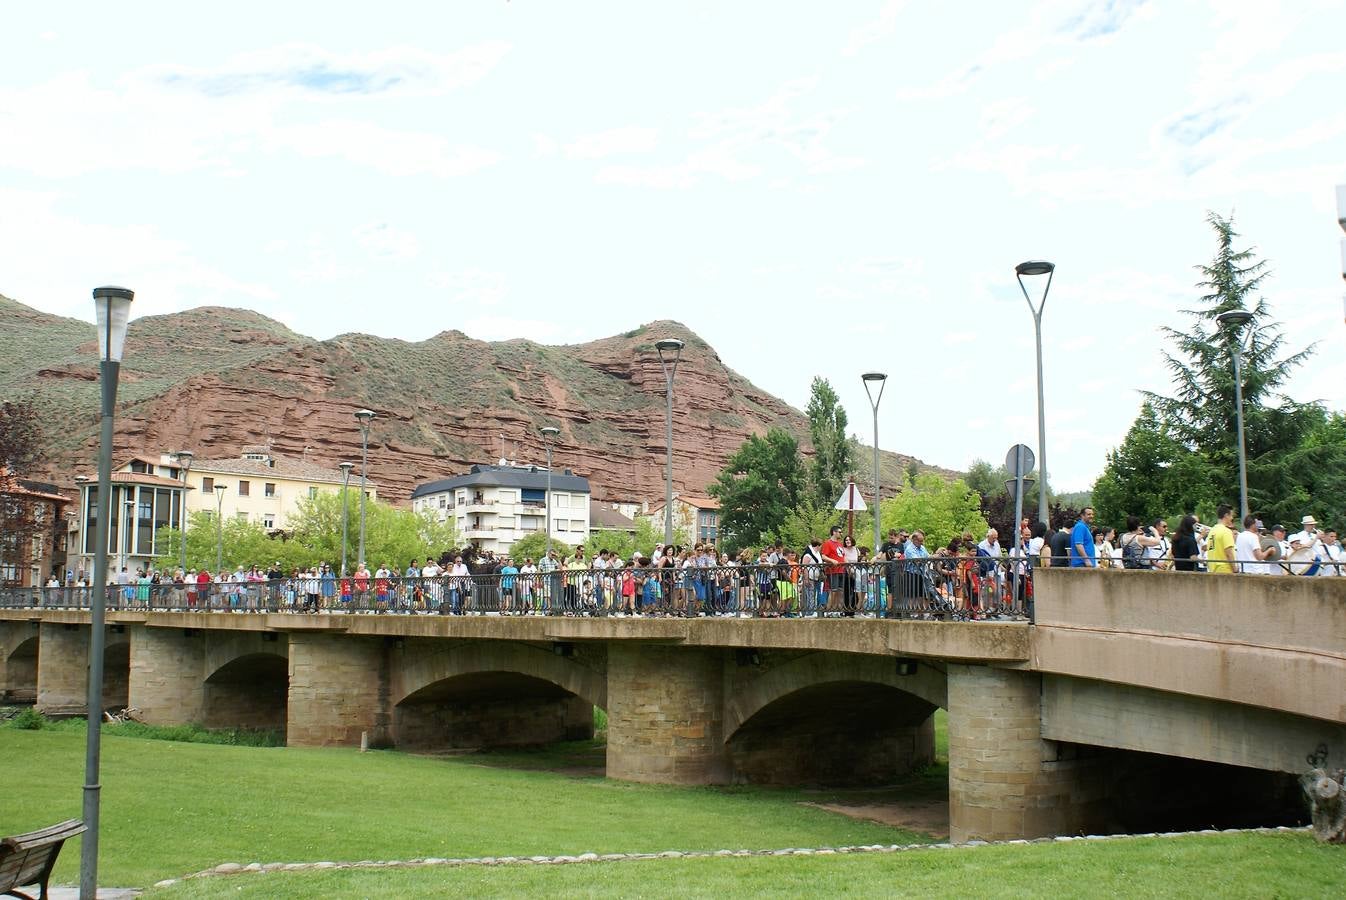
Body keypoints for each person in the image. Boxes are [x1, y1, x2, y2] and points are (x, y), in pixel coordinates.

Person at [821, 525, 845, 614]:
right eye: (839, 532)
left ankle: (837, 610)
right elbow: (823, 556)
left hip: (841, 570)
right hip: (833, 570)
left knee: (840, 591)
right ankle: (829, 610)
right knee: (833, 591)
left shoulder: (840, 544)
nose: (841, 534)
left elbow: (843, 556)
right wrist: (832, 560)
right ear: (834, 532)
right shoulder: (828, 543)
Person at [1206, 505, 1237, 574]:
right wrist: (1235, 569)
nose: (1232, 518)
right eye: (1231, 516)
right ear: (1226, 515)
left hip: (1213, 569)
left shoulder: (1212, 531)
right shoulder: (1226, 531)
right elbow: (1229, 553)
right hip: (1225, 570)